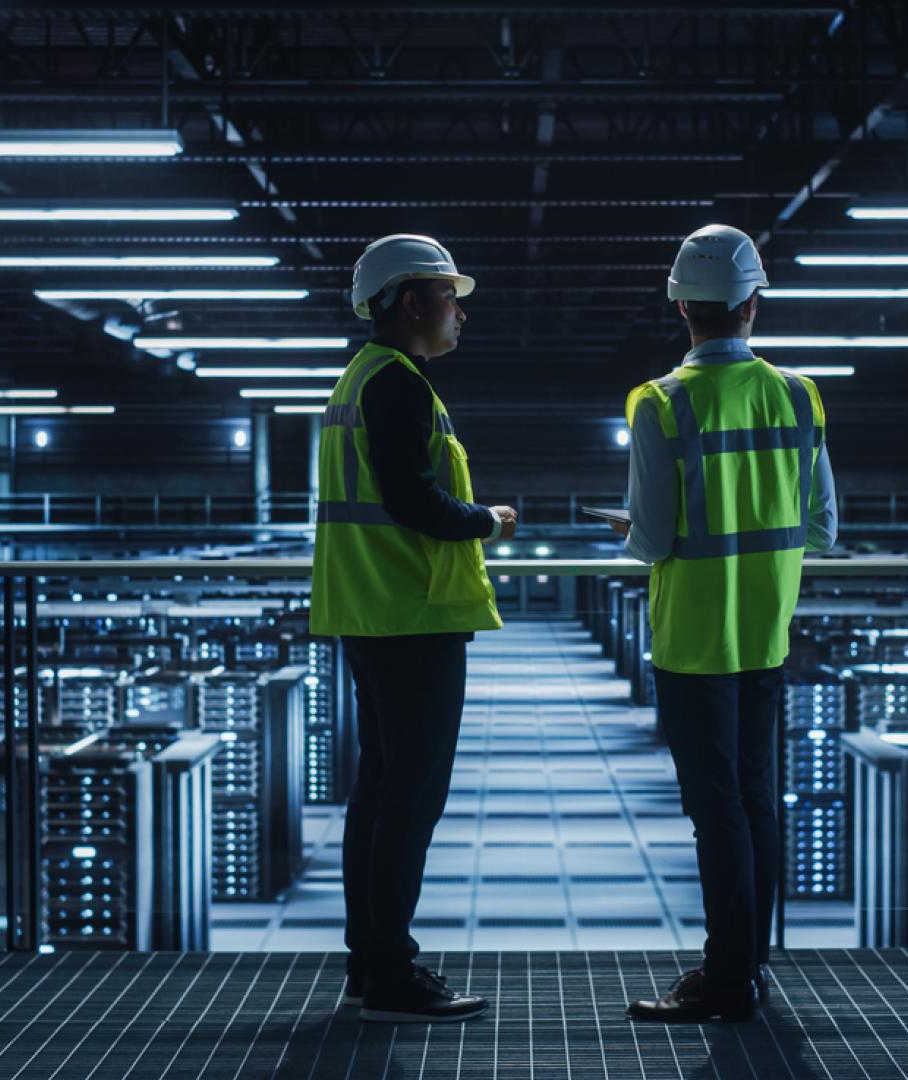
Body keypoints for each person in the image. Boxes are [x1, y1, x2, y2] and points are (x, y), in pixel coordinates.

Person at [612, 224, 838, 1022]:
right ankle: (747, 967)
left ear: (682, 305)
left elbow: (652, 538)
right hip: (766, 632)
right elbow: (821, 529)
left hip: (693, 639)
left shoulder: (658, 402)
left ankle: (725, 978)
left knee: (718, 814)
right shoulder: (798, 394)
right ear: (753, 304)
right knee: (757, 799)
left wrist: (630, 528)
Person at [308, 233, 518, 1023]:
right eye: (448, 297)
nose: (459, 312)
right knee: (410, 801)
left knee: (380, 795)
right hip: (411, 615)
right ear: (408, 301)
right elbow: (414, 500)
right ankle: (392, 972)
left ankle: (370, 964)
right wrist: (488, 521)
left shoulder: (360, 380)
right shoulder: (396, 384)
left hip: (373, 613)